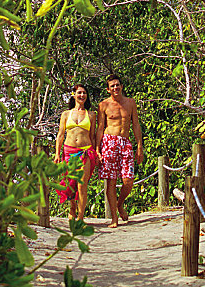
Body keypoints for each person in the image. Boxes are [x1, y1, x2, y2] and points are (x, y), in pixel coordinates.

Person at [96, 74, 143, 227]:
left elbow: (135, 124)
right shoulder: (104, 105)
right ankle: (114, 218)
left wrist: (139, 146)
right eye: (112, 86)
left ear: (121, 86)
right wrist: (98, 149)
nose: (115, 87)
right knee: (111, 180)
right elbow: (100, 128)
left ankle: (119, 203)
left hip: (126, 143)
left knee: (128, 180)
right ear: (108, 89)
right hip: (109, 142)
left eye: (117, 84)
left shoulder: (130, 103)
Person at [54, 84, 97, 220]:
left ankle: (80, 216)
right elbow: (60, 135)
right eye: (79, 93)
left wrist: (96, 152)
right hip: (69, 151)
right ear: (74, 95)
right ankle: (72, 206)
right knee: (69, 183)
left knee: (82, 184)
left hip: (85, 152)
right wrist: (57, 154)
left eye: (84, 93)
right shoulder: (66, 114)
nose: (82, 95)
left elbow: (93, 135)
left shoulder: (91, 115)